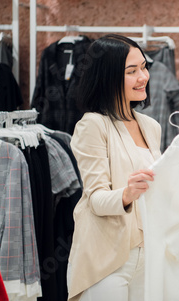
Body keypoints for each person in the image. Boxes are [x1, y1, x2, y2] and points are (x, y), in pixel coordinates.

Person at [66, 34, 161, 301]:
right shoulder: (92, 125)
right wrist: (126, 194)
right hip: (107, 259)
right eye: (132, 71)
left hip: (149, 254)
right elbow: (95, 199)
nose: (143, 77)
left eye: (144, 67)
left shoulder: (150, 126)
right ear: (108, 76)